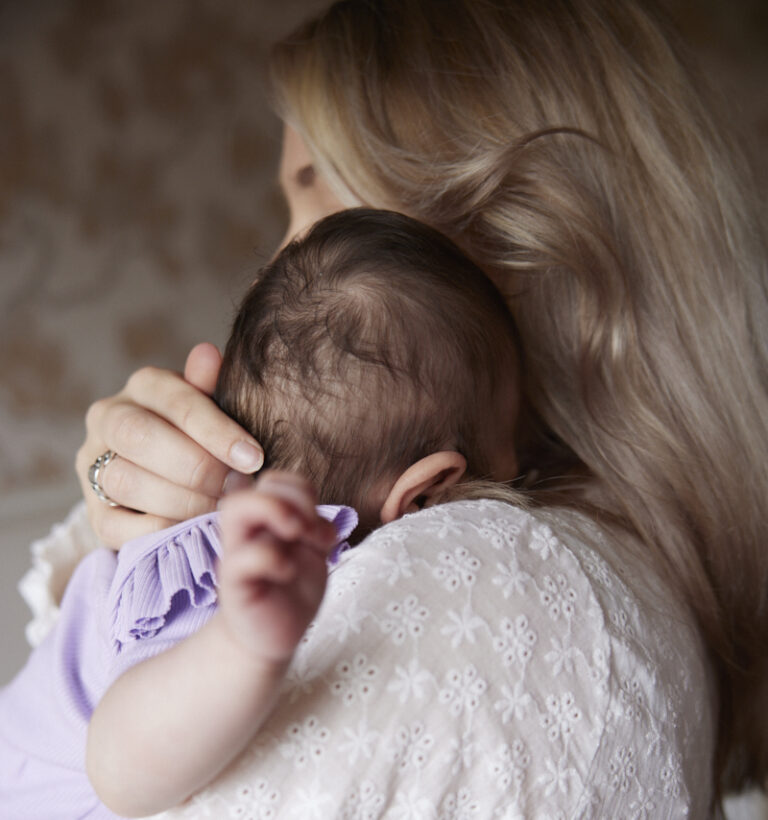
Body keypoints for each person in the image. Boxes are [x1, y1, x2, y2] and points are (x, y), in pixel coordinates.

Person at [19, 0, 768, 815]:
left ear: (515, 230)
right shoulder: (232, 559)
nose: (278, 264)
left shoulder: (506, 577)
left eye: (318, 201)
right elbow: (110, 749)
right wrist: (117, 502)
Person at [2, 208, 523, 818]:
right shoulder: (214, 562)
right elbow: (117, 766)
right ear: (429, 492)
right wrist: (239, 645)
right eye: (513, 441)